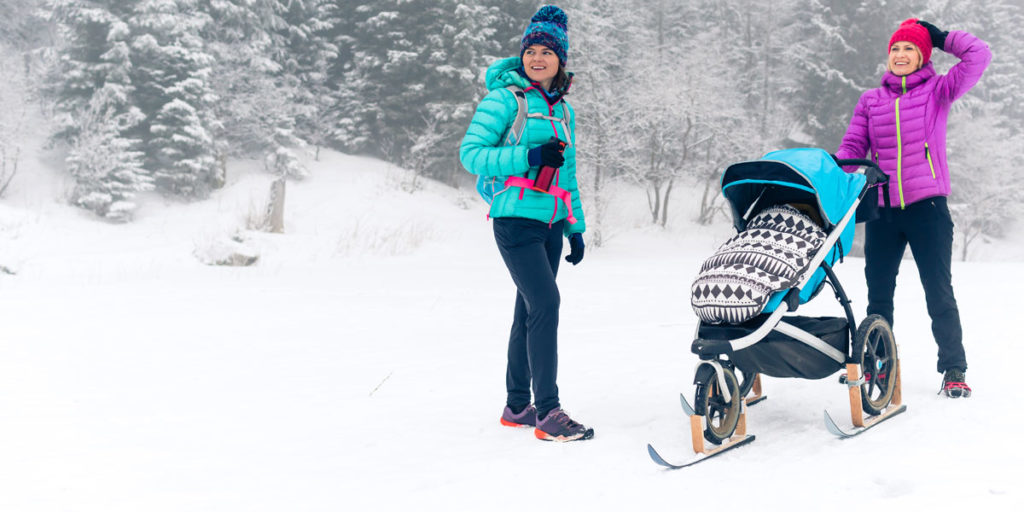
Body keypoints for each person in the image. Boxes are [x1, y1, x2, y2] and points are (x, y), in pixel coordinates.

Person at [835, 19, 991, 398]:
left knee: (938, 291)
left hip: (928, 209)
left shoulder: (939, 90)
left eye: (909, 49)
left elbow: (979, 55)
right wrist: (834, 178)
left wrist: (940, 38)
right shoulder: (870, 100)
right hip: (884, 211)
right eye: (895, 50)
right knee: (878, 293)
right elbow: (852, 150)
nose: (900, 55)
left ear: (922, 56)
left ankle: (954, 368)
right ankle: (877, 365)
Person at [459, 5, 592, 441]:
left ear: (561, 60)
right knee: (547, 304)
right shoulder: (504, 99)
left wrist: (575, 227)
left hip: (551, 225)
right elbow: (471, 154)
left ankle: (517, 405)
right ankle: (548, 412)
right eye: (530, 50)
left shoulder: (563, 112)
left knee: (530, 309)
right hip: (514, 219)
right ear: (522, 57)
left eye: (546, 52)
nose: (537, 58)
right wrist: (527, 156)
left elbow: (568, 175)